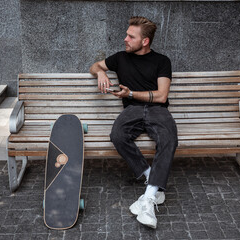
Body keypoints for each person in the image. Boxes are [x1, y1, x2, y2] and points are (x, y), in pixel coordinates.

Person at [89, 16, 178, 229]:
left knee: (169, 139)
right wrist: (100, 72)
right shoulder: (120, 58)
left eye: (131, 36)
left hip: (158, 110)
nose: (125, 38)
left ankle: (147, 200)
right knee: (117, 135)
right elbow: (94, 66)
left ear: (145, 41)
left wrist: (131, 93)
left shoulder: (162, 61)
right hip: (132, 110)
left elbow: (162, 96)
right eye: (127, 34)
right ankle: (152, 182)